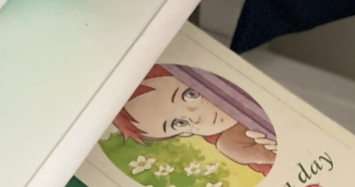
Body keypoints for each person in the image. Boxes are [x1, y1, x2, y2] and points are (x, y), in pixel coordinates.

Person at [111, 64, 277, 174]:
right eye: (180, 123)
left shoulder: (227, 83)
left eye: (190, 94)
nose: (197, 115)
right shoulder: (234, 145)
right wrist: (264, 155)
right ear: (185, 134)